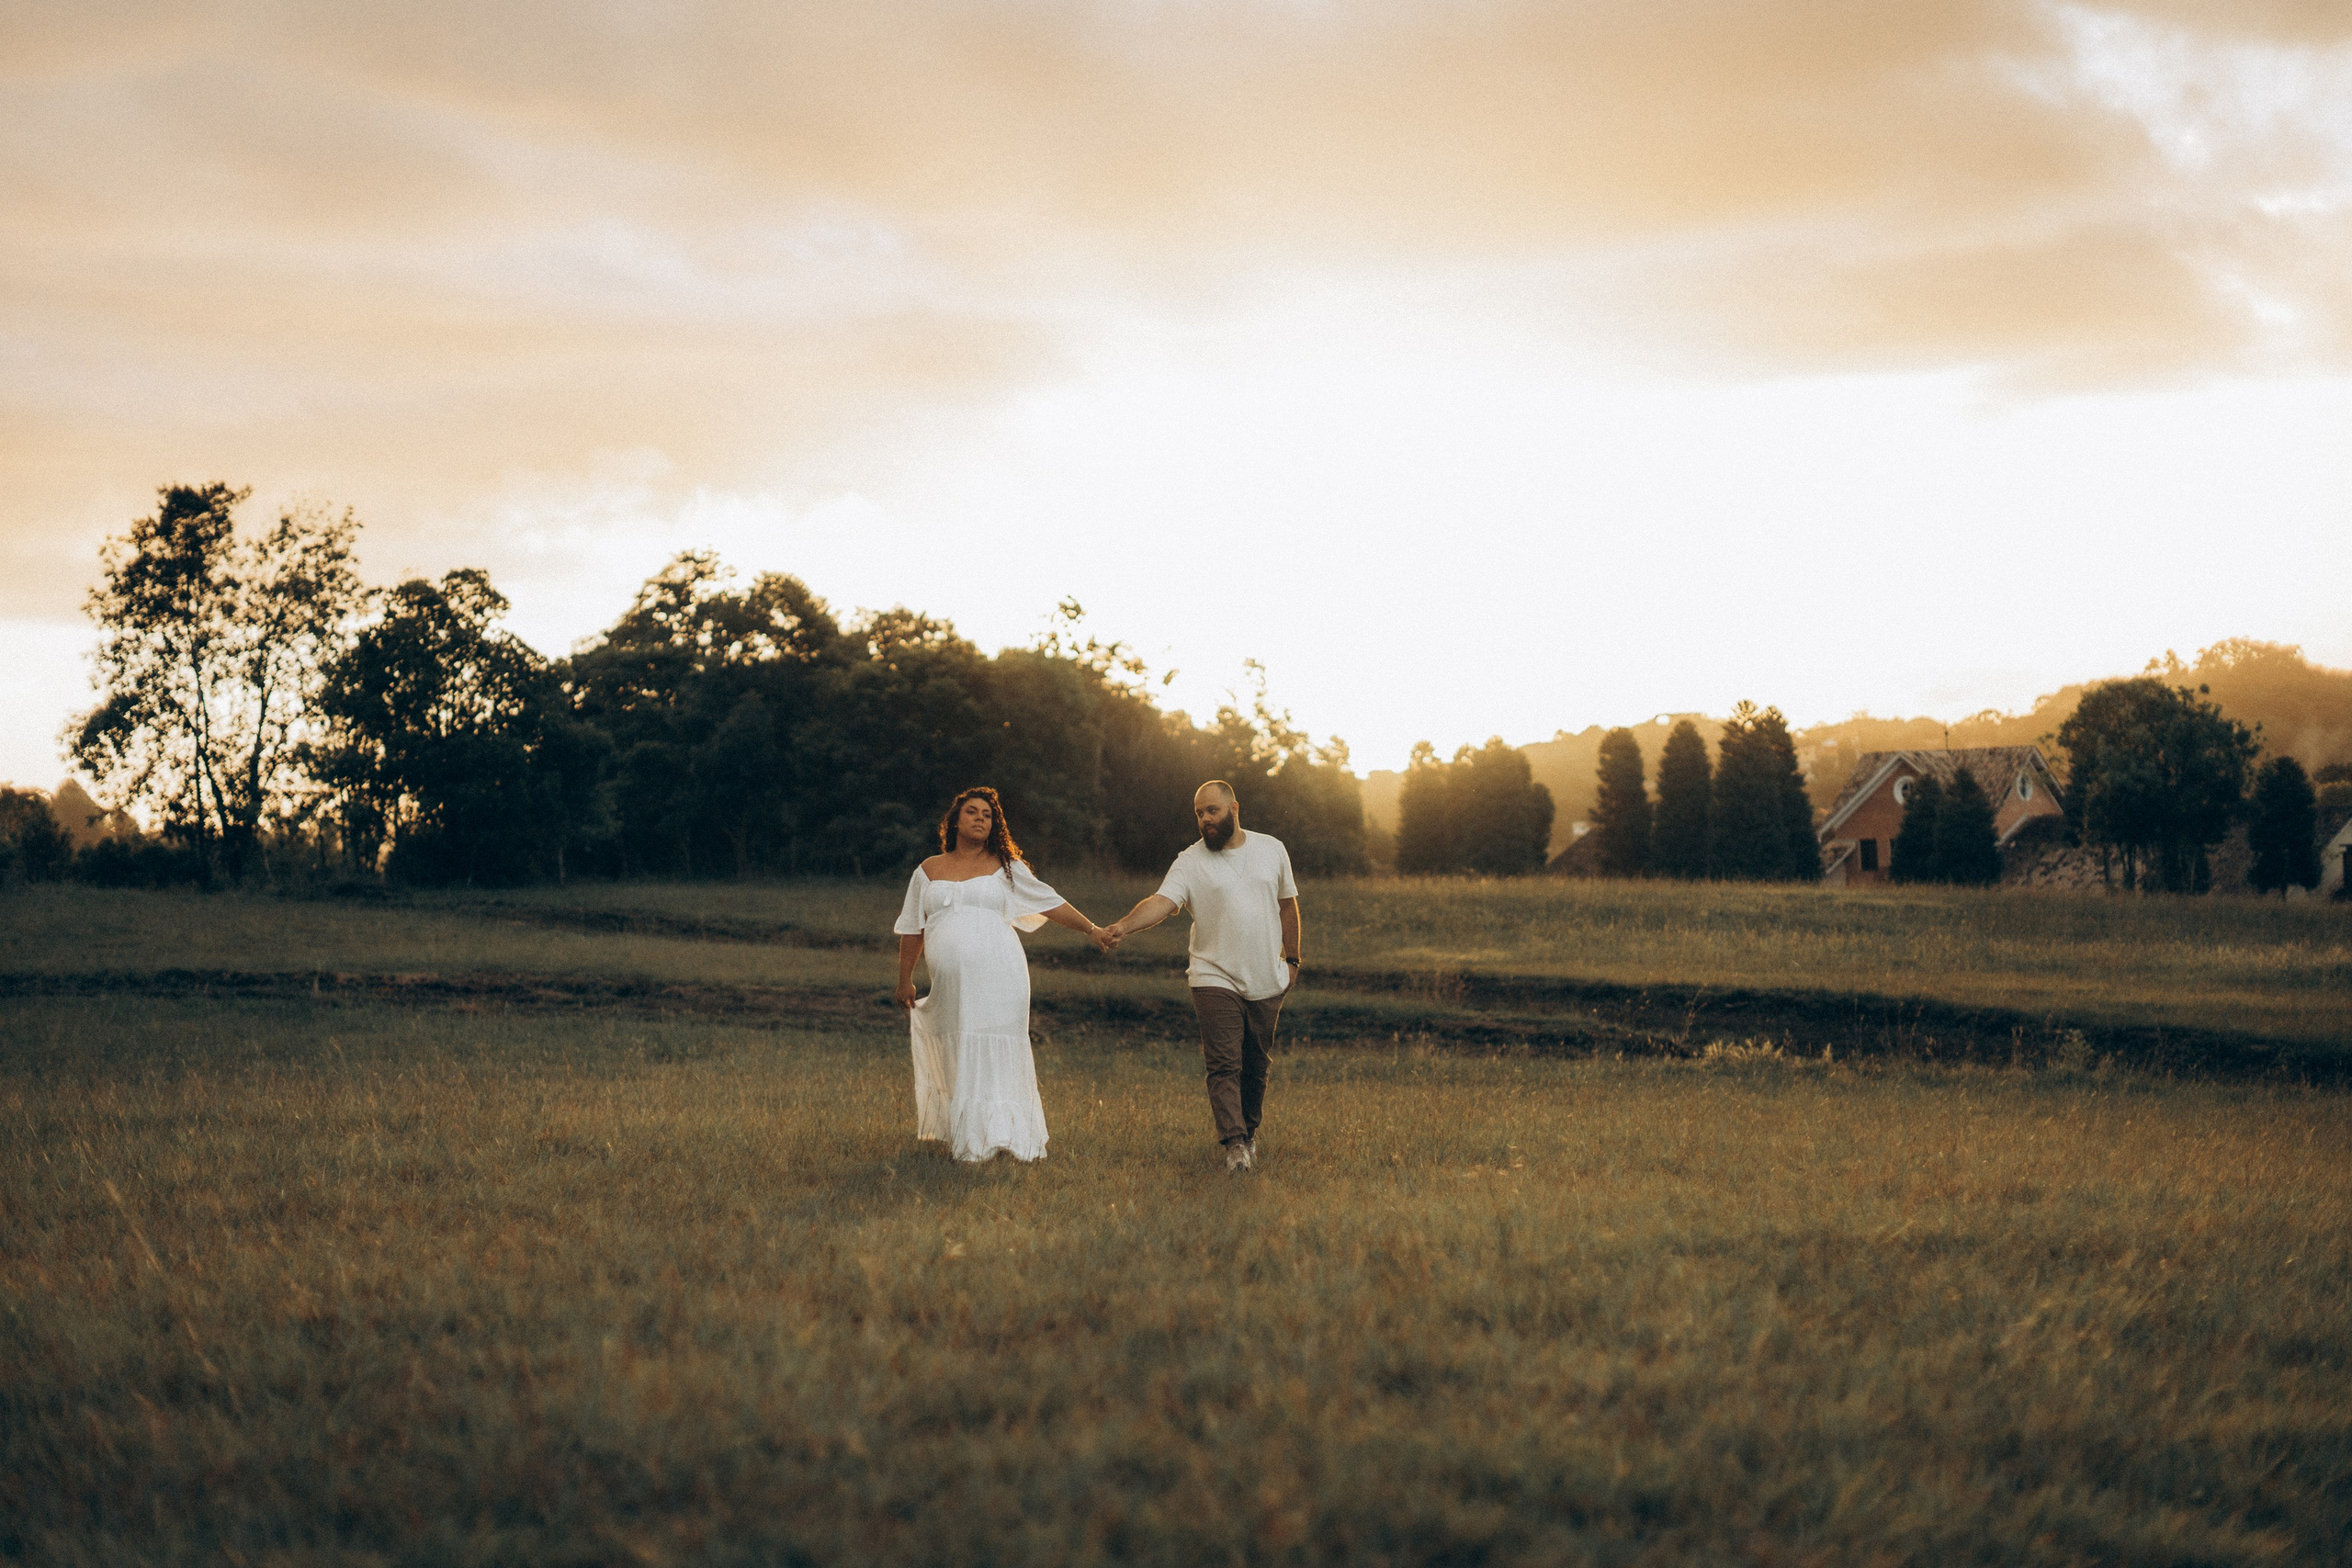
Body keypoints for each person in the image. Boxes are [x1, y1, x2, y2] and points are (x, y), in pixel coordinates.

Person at [893, 786, 1113, 1163]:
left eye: (987, 815)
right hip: (952, 984)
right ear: (955, 820)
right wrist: (904, 979)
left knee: (994, 1046)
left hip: (1000, 974)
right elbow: (913, 928)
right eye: (972, 812)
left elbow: (1050, 901)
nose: (980, 818)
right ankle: (968, 1136)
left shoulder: (1006, 867)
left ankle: (1005, 1138)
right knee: (963, 1047)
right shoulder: (928, 870)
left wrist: (1091, 929)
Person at [1101, 780, 1300, 1172]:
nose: (1206, 819)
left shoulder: (1271, 849)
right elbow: (1162, 901)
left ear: (1234, 808)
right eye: (1199, 813)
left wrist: (1292, 960)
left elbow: (1287, 906)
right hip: (1213, 975)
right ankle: (1235, 1144)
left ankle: (1249, 1133)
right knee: (1224, 1063)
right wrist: (1123, 925)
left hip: (1265, 974)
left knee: (1256, 1064)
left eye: (1213, 810)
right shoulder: (1190, 861)